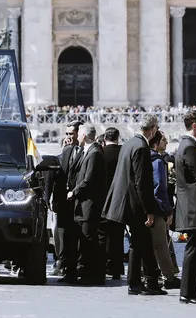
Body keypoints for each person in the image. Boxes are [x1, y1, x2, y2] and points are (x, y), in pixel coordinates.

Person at [102, 113, 166, 296]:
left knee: (140, 243)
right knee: (141, 242)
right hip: (134, 204)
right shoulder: (141, 147)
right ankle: (141, 283)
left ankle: (141, 282)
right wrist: (149, 211)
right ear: (153, 129)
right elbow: (142, 182)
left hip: (125, 202)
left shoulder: (129, 144)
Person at [174, 110, 196, 304]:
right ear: (194, 126)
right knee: (194, 249)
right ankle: (190, 292)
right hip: (195, 207)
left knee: (194, 248)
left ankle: (189, 291)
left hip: (192, 206)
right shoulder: (190, 147)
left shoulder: (187, 146)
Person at [67, 125, 106, 284]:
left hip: (90, 204)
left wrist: (74, 192)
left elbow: (88, 180)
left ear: (83, 135)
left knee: (89, 239)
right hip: (84, 204)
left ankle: (93, 274)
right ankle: (87, 272)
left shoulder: (94, 153)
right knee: (86, 239)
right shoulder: (89, 151)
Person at [148, 131, 181, 290]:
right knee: (162, 245)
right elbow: (159, 187)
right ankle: (168, 276)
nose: (166, 143)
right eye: (163, 140)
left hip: (146, 207)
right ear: (156, 142)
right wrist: (168, 210)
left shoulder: (144, 157)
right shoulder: (157, 160)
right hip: (158, 208)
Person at [52, 121, 84, 282]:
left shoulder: (86, 152)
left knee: (77, 237)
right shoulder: (65, 152)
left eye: (71, 134)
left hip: (79, 202)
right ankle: (66, 267)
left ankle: (76, 268)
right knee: (65, 236)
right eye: (67, 134)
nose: (68, 137)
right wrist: (55, 201)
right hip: (65, 202)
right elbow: (59, 179)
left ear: (79, 134)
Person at [100, 127, 124, 280]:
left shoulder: (100, 154)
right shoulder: (123, 154)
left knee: (103, 234)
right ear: (118, 137)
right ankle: (116, 267)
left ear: (104, 139)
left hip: (103, 198)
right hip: (119, 198)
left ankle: (104, 265)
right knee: (118, 235)